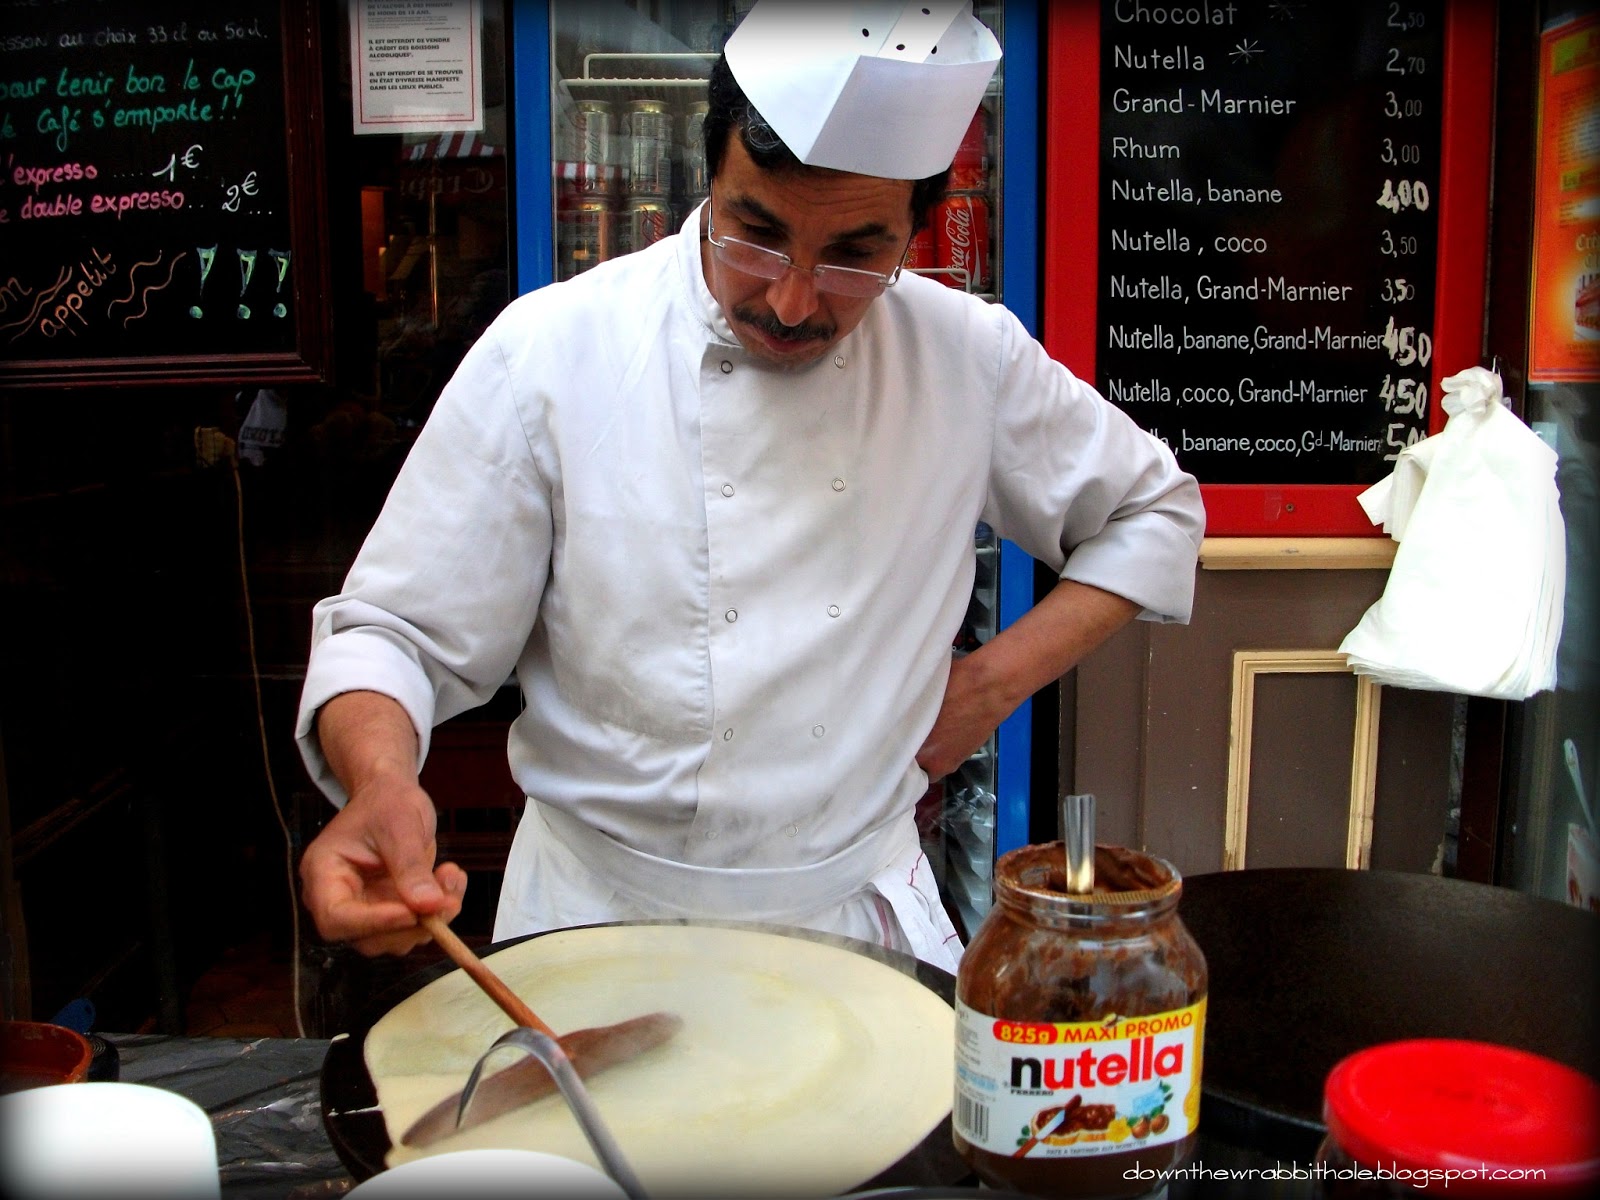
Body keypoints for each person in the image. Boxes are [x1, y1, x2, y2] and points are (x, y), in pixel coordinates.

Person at [295, 1, 1205, 973]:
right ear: (709, 177)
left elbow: (1153, 510)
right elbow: (396, 632)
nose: (790, 299)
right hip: (593, 919)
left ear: (917, 226)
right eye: (755, 233)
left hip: (852, 923)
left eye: (855, 254)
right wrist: (381, 780)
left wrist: (988, 685)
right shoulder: (553, 350)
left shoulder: (962, 355)